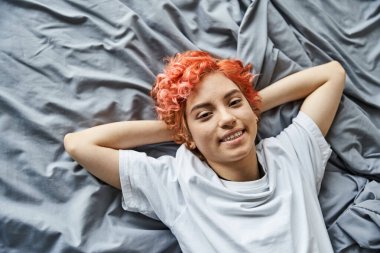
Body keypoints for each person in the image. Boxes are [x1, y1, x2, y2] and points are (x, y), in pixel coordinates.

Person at [64, 50, 345, 252]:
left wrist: (249, 106)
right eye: (204, 115)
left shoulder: (292, 155)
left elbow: (331, 75)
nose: (226, 119)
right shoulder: (177, 185)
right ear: (187, 136)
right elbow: (79, 144)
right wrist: (180, 129)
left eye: (233, 102)